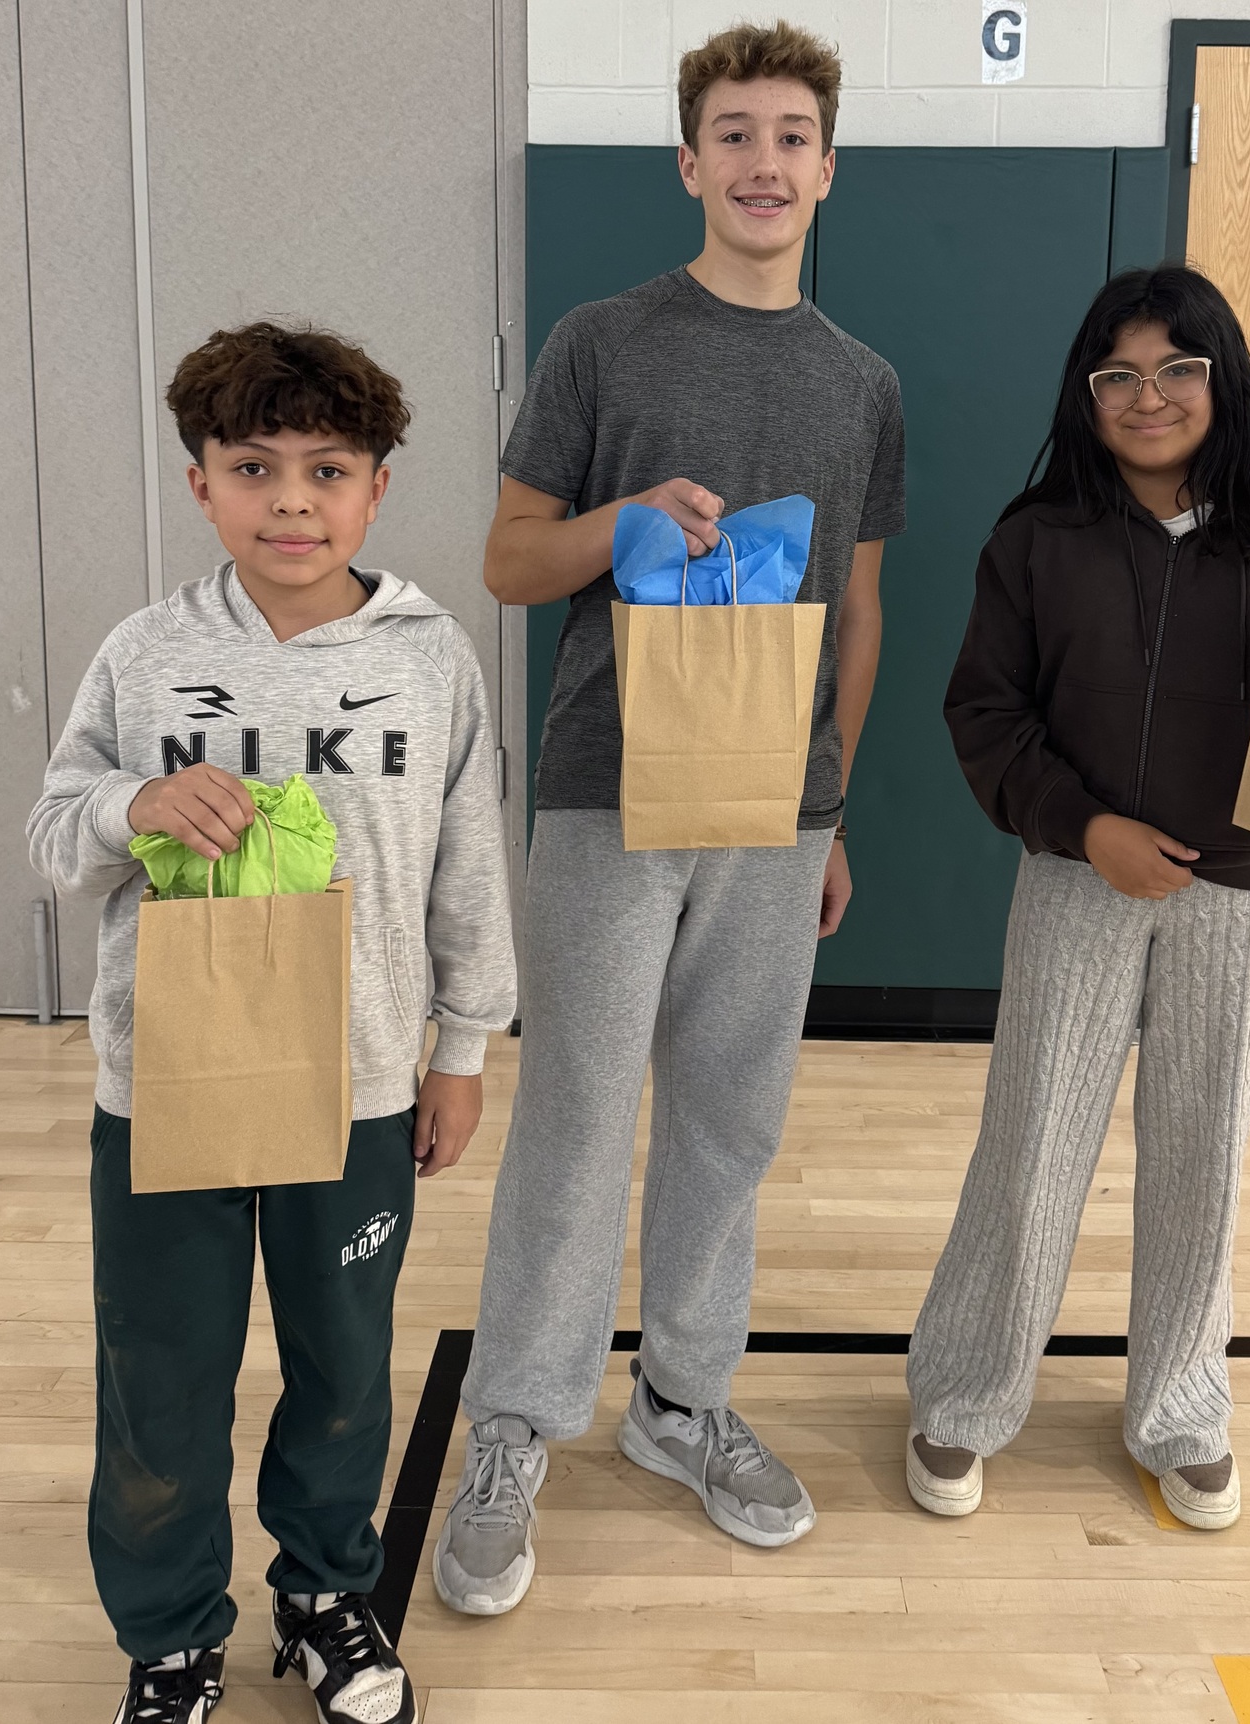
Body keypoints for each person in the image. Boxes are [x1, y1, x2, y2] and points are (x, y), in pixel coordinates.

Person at [434, 20, 904, 1616]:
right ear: (687, 162)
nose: (764, 161)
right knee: (574, 1118)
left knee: (730, 1117)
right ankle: (511, 1423)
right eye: (734, 131)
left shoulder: (863, 385)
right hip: (608, 791)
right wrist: (618, 521)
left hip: (775, 820)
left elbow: (858, 611)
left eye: (791, 135)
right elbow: (506, 562)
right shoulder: (601, 343)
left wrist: (826, 803)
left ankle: (683, 1401)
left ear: (828, 170)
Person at [904, 266, 1250, 1531]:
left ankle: (1182, 1410)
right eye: (1119, 377)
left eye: (1177, 369)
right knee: (1032, 1138)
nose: (1150, 398)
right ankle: (966, 1392)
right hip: (1080, 877)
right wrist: (1086, 827)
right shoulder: (1037, 535)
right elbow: (985, 713)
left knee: (1205, 1150)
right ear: (1087, 395)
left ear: (1222, 373)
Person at [27, 321, 516, 1724]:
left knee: (344, 1363)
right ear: (201, 486)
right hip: (166, 1085)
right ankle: (172, 1634)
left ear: (376, 490)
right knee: (162, 1372)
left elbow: (465, 870)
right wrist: (132, 804)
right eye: (254, 467)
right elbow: (55, 838)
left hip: (358, 1082)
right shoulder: (145, 654)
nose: (291, 502)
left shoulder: (434, 662)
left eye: (327, 469)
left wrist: (465, 1052)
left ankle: (325, 1595)